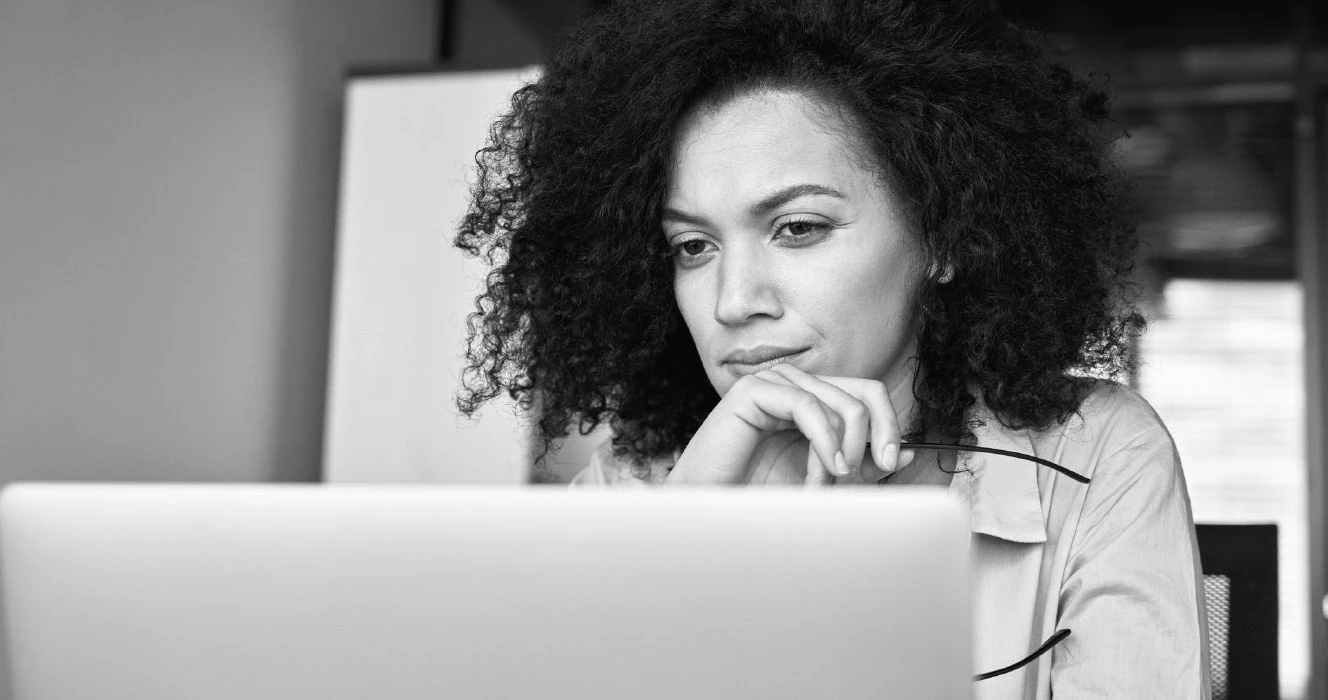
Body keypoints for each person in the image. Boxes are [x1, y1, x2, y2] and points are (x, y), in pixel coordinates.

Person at [451, 0, 1211, 697]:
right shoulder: (633, 496)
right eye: (692, 246)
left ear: (943, 235)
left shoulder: (1097, 455)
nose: (732, 300)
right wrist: (688, 544)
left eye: (799, 228)